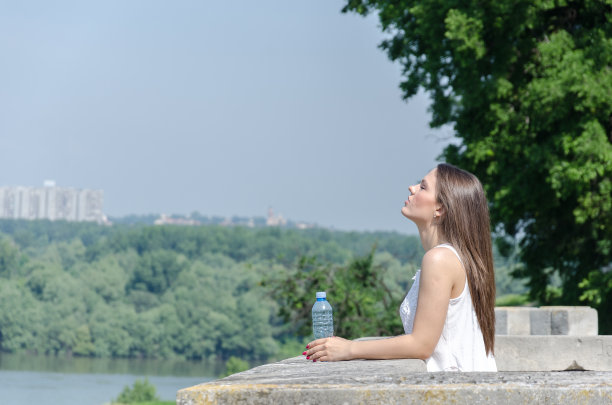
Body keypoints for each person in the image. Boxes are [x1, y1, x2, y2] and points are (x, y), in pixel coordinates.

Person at [303, 163, 497, 372]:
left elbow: (421, 345)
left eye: (423, 187)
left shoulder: (440, 259)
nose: (411, 188)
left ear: (440, 208)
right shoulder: (453, 257)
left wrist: (350, 348)